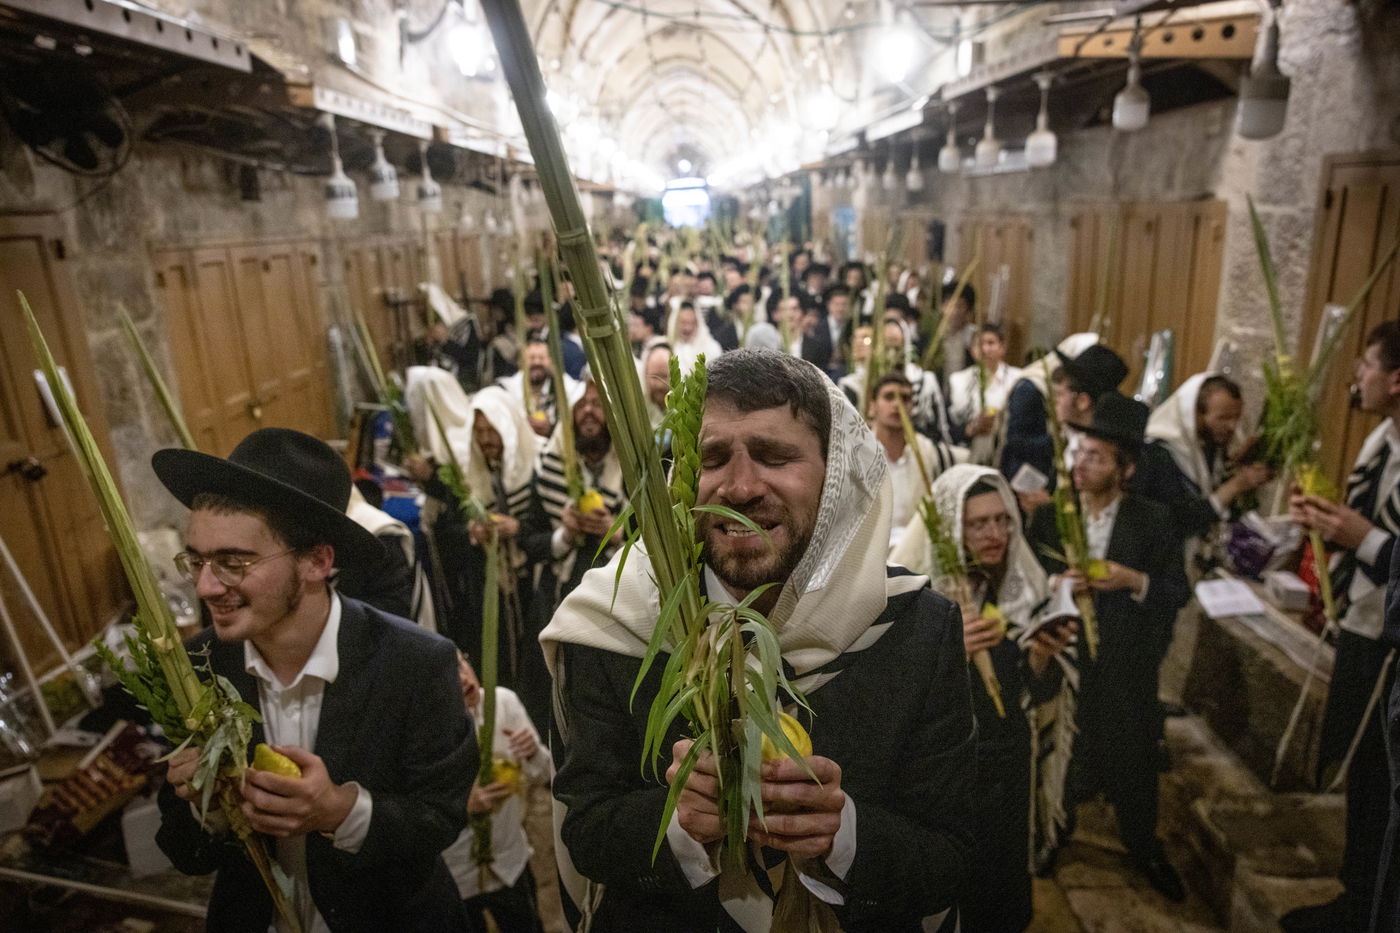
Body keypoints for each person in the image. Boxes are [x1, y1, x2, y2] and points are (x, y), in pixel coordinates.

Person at [542, 349, 977, 931]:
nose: (742, 487)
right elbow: (587, 829)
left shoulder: (916, 629)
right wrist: (680, 824)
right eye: (712, 458)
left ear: (836, 473)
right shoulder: (614, 622)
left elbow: (950, 852)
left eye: (775, 456)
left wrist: (843, 835)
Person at [151, 427, 476, 932]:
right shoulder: (195, 667)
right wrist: (207, 810)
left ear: (316, 562)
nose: (207, 586)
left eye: (233, 562)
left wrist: (339, 811)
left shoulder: (415, 663)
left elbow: (441, 819)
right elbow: (184, 851)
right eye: (197, 560)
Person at [891, 465, 1078, 932]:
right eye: (978, 524)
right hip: (946, 766)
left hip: (1008, 759)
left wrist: (1040, 657)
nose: (995, 534)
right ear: (951, 529)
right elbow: (890, 696)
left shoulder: (1019, 588)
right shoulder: (914, 597)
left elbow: (1032, 692)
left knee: (1001, 882)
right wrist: (950, 653)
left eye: (1002, 520)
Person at [1026, 392, 1190, 902]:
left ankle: (1143, 846)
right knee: (1063, 750)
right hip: (1066, 654)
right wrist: (1057, 585)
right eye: (1079, 453)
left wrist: (1131, 579)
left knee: (1133, 754)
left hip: (1127, 659)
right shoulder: (1053, 515)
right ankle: (1055, 832)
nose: (1081, 464)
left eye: (1096, 457)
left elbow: (1176, 591)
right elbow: (1027, 582)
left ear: (1126, 469)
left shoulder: (1153, 519)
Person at [1283, 322, 1400, 933]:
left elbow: (1377, 537)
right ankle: (1356, 894)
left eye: (1367, 365)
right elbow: (1361, 521)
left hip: (1392, 639)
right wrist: (1326, 523)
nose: (1358, 376)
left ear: (1397, 379)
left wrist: (1366, 540)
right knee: (1363, 771)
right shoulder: (1382, 438)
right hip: (1362, 621)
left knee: (1383, 773)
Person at [518, 377, 627, 731]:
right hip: (556, 597)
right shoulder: (551, 466)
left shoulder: (634, 468)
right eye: (582, 406)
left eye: (597, 405)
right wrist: (565, 534)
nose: (589, 413)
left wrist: (616, 533)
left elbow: (657, 535)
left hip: (617, 604)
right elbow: (529, 539)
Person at [444, 652, 551, 933]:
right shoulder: (431, 729)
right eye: (447, 673)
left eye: (461, 664)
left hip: (510, 861)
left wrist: (533, 754)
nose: (462, 678)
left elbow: (543, 775)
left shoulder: (503, 702)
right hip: (458, 872)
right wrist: (463, 806)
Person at [1138, 372, 1272, 556]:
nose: (1232, 426)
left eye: (1236, 417)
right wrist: (1235, 486)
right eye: (1223, 418)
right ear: (1194, 414)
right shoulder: (1157, 454)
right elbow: (1174, 520)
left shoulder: (1209, 446)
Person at [1002, 339, 1125, 515]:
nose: (1054, 402)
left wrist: (1049, 508)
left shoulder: (1100, 451)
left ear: (1082, 401)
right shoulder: (1068, 437)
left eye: (1060, 395)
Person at [863, 371, 961, 552]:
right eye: (889, 397)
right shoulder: (858, 453)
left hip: (917, 552)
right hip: (871, 552)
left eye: (905, 399)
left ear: (913, 408)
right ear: (872, 407)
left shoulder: (930, 454)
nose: (897, 404)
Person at [948, 323, 1023, 466]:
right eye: (979, 344)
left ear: (1002, 347)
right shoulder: (958, 381)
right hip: (968, 453)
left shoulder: (1018, 380)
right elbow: (949, 427)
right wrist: (971, 428)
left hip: (1006, 453)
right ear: (972, 350)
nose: (985, 349)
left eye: (990, 343)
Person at [498, 339, 580, 439]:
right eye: (532, 358)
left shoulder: (565, 386)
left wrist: (551, 428)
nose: (537, 362)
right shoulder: (508, 388)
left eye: (541, 358)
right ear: (521, 362)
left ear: (551, 362)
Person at [667, 301, 723, 375]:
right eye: (684, 323)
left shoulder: (712, 348)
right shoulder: (667, 348)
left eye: (692, 323)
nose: (688, 328)